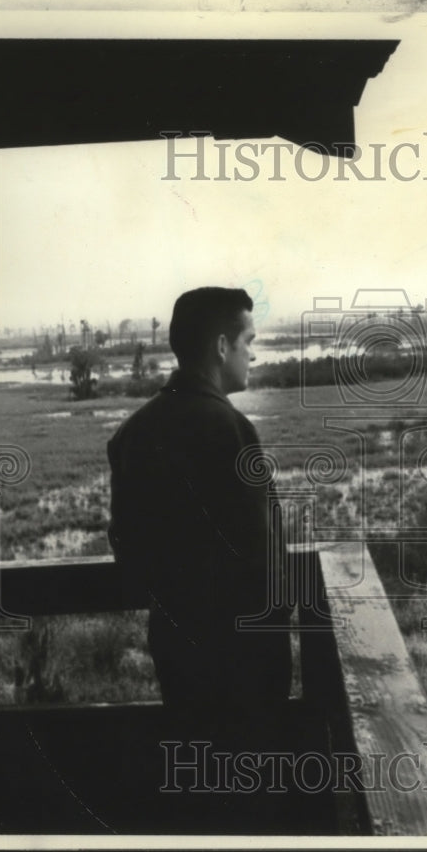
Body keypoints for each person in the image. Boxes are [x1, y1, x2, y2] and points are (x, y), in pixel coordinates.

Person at [107, 287, 292, 729]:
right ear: (222, 346)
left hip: (177, 655)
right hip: (245, 667)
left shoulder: (133, 433)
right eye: (248, 342)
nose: (253, 355)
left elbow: (128, 553)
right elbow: (261, 561)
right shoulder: (231, 429)